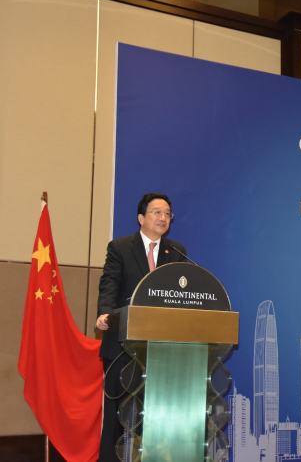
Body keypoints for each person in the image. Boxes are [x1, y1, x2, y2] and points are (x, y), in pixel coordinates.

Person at [95, 193, 187, 462]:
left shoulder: (177, 251)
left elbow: (180, 296)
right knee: (117, 415)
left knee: (155, 415)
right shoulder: (120, 247)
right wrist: (105, 314)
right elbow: (109, 283)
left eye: (168, 213)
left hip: (160, 348)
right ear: (141, 218)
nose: (163, 217)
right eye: (157, 212)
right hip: (122, 345)